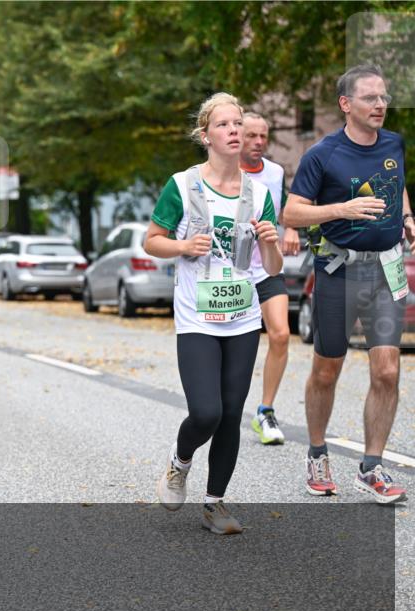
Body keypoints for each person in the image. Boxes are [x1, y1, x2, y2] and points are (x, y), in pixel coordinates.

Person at [146, 93, 282, 534]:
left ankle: (215, 503)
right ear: (205, 136)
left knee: (231, 411)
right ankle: (179, 460)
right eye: (224, 125)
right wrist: (183, 246)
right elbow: (152, 241)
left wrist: (271, 241)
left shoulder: (258, 193)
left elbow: (273, 268)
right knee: (206, 411)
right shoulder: (182, 186)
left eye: (238, 124)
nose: (235, 131)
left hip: (242, 316)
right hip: (197, 318)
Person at [284, 64, 413, 504]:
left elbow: (398, 186)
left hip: (385, 271)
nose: (381, 105)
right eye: (370, 98)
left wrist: (408, 218)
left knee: (388, 370)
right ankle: (317, 453)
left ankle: (372, 468)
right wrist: (342, 209)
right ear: (346, 104)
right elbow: (293, 213)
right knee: (327, 368)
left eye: (383, 97)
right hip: (339, 271)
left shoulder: (394, 143)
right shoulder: (322, 154)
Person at [239, 112, 297, 445]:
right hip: (231, 272)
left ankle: (265, 410)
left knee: (280, 334)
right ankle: (222, 406)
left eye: (264, 136)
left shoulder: (275, 172)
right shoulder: (222, 172)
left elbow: (287, 206)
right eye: (252, 136)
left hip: (267, 267)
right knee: (233, 343)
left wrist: (289, 228)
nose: (259, 142)